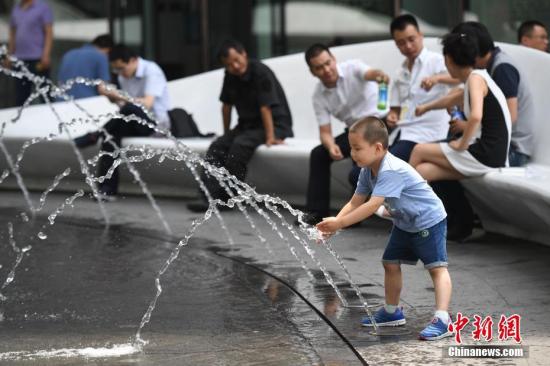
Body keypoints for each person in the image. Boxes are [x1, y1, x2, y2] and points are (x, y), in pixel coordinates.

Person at [316, 116, 452, 341]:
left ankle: (442, 319)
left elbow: (372, 204)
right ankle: (392, 311)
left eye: (357, 148)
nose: (353, 153)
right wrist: (335, 225)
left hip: (429, 220)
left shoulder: (390, 169)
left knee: (436, 268)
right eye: (352, 148)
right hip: (405, 222)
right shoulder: (367, 170)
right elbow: (355, 201)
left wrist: (340, 223)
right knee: (390, 262)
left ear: (378, 147)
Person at [186, 40, 293, 212]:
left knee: (239, 147)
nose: (235, 66)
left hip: (274, 124)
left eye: (237, 60)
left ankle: (228, 198)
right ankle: (206, 195)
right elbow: (226, 106)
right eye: (229, 64)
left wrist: (271, 137)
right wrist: (226, 133)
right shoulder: (230, 76)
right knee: (217, 146)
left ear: (244, 53)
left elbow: (265, 107)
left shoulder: (260, 72)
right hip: (247, 125)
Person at [300, 43, 389, 225]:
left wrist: (379, 76)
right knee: (319, 154)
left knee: (359, 168)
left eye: (327, 63)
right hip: (355, 132)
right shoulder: (318, 95)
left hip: (380, 126)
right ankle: (316, 212)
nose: (326, 70)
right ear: (312, 72)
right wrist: (331, 145)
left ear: (334, 59)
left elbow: (371, 74)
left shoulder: (353, 68)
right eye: (319, 67)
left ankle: (352, 216)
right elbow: (325, 132)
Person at [74, 44, 171, 200]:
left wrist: (118, 96)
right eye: (116, 70)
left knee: (128, 112)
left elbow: (146, 104)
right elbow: (125, 107)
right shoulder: (123, 75)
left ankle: (95, 134)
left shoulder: (152, 71)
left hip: (156, 125)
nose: (120, 74)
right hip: (135, 120)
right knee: (111, 135)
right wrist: (112, 98)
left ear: (133, 61)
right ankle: (107, 188)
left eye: (122, 68)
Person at [410, 33, 511, 183]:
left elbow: (476, 116)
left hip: (486, 153)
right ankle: (409, 205)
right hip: (493, 155)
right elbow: (452, 99)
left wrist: (461, 143)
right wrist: (426, 107)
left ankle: (390, 202)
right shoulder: (477, 77)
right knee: (424, 171)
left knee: (419, 150)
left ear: (448, 59)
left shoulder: (475, 79)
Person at [386, 14, 457, 163]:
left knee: (377, 171)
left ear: (421, 36)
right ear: (396, 45)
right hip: (403, 132)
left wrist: (438, 78)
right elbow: (395, 109)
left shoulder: (437, 61)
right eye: (401, 43)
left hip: (429, 134)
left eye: (411, 39)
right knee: (362, 170)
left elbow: (462, 76)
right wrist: (392, 116)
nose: (408, 46)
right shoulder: (400, 72)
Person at [8, 0, 53, 106]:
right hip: (19, 59)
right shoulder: (16, 8)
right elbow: (13, 32)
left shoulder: (42, 7)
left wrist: (45, 54)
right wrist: (10, 54)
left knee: (45, 93)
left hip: (37, 57)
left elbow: (49, 32)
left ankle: (52, 118)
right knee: (21, 95)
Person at [57, 34, 114, 99]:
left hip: (61, 102)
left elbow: (60, 83)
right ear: (108, 49)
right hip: (86, 102)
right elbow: (103, 89)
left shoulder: (68, 54)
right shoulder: (101, 56)